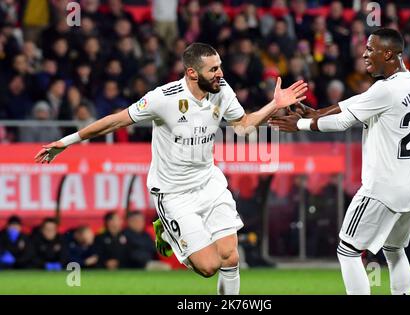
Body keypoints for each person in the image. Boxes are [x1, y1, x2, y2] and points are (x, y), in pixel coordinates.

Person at [34, 42, 307, 295]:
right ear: (191, 72)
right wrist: (67, 142)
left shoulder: (222, 90)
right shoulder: (163, 98)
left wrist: (274, 105)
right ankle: (165, 228)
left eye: (220, 66)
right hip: (174, 193)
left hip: (209, 183)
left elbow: (244, 126)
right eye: (213, 69)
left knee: (231, 257)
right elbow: (115, 122)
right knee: (209, 266)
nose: (220, 73)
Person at [269, 28, 410, 295]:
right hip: (409, 184)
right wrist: (318, 112)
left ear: (388, 53)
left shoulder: (385, 90)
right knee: (394, 249)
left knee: (348, 249)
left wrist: (303, 124)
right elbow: (356, 102)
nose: (364, 54)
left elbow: (343, 119)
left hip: (382, 187)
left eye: (370, 49)